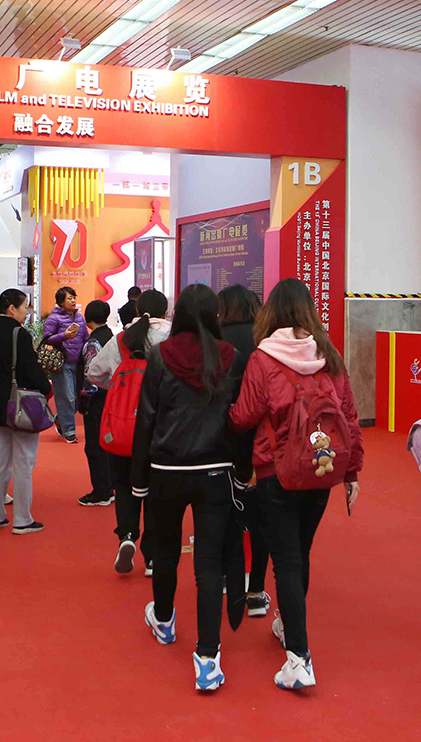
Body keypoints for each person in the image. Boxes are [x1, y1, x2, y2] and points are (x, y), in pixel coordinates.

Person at [229, 278, 363, 690]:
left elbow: (245, 415)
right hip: (322, 469)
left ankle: (299, 658)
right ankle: (289, 627)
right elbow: (349, 416)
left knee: (286, 559)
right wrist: (352, 471)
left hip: (276, 472)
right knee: (300, 554)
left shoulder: (263, 358)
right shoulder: (329, 354)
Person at [129, 284, 237, 690]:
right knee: (209, 566)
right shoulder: (229, 356)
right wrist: (242, 470)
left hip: (166, 469)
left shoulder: (161, 356)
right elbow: (238, 416)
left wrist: (139, 479)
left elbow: (147, 417)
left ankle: (163, 620)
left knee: (166, 552)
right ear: (214, 315)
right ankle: (208, 658)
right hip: (216, 471)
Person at [87, 289, 171, 575]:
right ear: (165, 311)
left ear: (137, 310)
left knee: (123, 485)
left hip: (124, 426)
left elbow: (94, 372)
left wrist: (118, 386)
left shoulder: (122, 339)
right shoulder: (171, 339)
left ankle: (126, 535)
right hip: (161, 428)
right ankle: (152, 557)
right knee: (157, 490)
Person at [0, 289, 52, 535]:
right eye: (24, 307)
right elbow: (31, 370)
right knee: (23, 462)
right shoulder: (19, 334)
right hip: (22, 405)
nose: (26, 312)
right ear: (12, 308)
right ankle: (22, 519)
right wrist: (46, 389)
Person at [217, 285, 270, 618]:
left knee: (223, 512)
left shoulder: (214, 342)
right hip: (262, 441)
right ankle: (256, 591)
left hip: (221, 440)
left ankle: (227, 578)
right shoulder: (266, 343)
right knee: (261, 516)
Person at [77, 299, 114, 507]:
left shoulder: (93, 343)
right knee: (107, 443)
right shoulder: (111, 337)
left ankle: (101, 491)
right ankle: (109, 486)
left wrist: (84, 401)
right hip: (111, 396)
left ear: (87, 318)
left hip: (97, 399)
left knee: (94, 446)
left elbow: (90, 375)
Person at [43, 286, 88, 443]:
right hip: (62, 363)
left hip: (78, 364)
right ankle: (69, 432)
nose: (73, 301)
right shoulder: (54, 318)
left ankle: (59, 419)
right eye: (70, 298)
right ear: (61, 301)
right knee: (67, 397)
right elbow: (46, 339)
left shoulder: (79, 317)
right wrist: (64, 336)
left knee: (76, 399)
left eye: (74, 297)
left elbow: (85, 337)